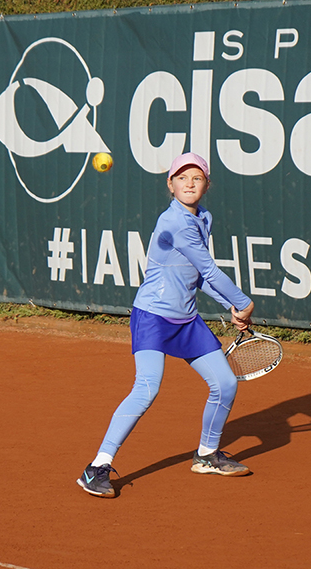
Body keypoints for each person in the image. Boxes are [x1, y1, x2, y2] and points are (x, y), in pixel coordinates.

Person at [77, 152, 256, 498]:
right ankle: (96, 467)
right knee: (146, 389)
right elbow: (209, 270)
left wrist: (230, 306)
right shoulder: (174, 222)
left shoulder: (203, 218)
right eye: (182, 178)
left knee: (225, 384)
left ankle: (207, 454)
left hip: (186, 319)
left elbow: (194, 275)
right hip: (153, 317)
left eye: (197, 178)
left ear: (206, 185)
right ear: (170, 185)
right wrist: (244, 303)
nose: (190, 184)